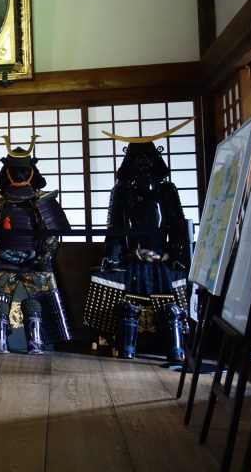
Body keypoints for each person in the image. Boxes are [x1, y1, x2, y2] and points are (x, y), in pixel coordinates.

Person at [84, 133, 191, 361]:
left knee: (172, 306)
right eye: (138, 158)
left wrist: (171, 254)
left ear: (156, 159)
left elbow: (179, 227)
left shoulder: (167, 191)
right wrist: (119, 256)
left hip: (162, 255)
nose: (143, 163)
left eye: (148, 158)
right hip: (131, 257)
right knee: (124, 304)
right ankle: (126, 346)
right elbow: (115, 229)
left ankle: (175, 348)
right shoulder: (121, 191)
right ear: (129, 160)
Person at [0, 136, 71, 354]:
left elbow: (53, 236)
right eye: (14, 169)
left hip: (34, 260)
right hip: (3, 260)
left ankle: (36, 342)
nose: (19, 173)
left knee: (38, 294)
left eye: (23, 169)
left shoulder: (42, 199)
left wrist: (41, 258)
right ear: (6, 171)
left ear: (32, 171)